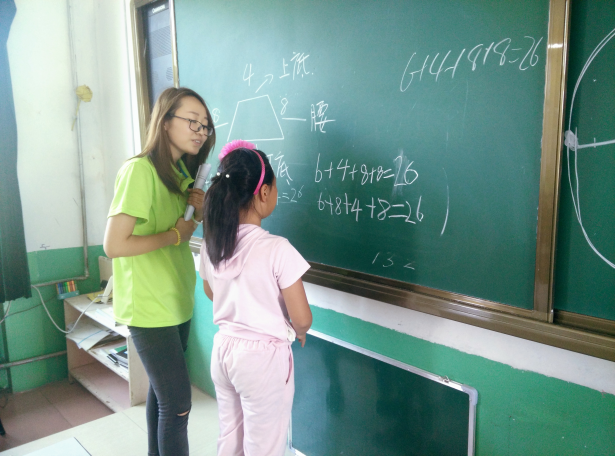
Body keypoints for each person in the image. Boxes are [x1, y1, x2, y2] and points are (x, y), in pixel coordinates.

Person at [103, 87, 216, 456]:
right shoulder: (139, 171)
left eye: (205, 125)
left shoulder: (181, 175)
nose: (201, 131)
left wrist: (197, 215)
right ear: (165, 121)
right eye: (192, 121)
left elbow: (182, 232)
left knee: (162, 393)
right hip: (149, 307)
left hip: (176, 300)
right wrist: (175, 234)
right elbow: (114, 245)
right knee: (179, 403)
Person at [199, 139, 313, 456]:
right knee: (264, 446)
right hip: (262, 361)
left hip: (223, 350)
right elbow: (302, 317)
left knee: (230, 437)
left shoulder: (212, 243)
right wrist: (300, 331)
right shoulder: (277, 249)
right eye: (275, 188)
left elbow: (210, 290)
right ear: (264, 192)